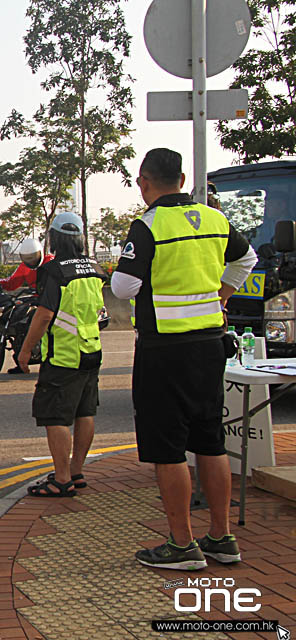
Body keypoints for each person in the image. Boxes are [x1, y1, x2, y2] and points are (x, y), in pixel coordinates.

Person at [112, 148, 256, 571]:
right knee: (210, 441)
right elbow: (246, 259)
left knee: (168, 448)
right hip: (210, 344)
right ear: (181, 179)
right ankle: (222, 537)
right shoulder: (214, 217)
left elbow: (122, 287)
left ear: (145, 182)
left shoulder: (149, 223)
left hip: (165, 349)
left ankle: (181, 544)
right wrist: (222, 296)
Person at [16, 212, 107, 498]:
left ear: (53, 238)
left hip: (63, 355)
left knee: (55, 416)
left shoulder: (55, 270)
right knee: (85, 411)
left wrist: (25, 350)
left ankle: (62, 478)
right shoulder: (95, 267)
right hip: (91, 350)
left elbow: (44, 315)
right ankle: (76, 470)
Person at [0, 237, 54, 374]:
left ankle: (47, 356)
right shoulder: (24, 267)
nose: (30, 260)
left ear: (40, 253)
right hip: (34, 298)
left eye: (33, 256)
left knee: (44, 323)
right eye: (27, 257)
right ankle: (20, 357)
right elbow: (12, 282)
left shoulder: (51, 262)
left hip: (50, 300)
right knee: (17, 320)